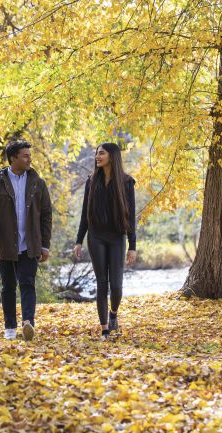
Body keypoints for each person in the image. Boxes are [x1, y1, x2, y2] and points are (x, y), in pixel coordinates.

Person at [0, 140, 53, 341]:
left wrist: (45, 244)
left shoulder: (38, 183)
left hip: (30, 243)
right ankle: (10, 327)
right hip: (5, 245)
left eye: (29, 155)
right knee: (8, 286)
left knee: (28, 283)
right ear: (13, 158)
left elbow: (46, 214)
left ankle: (28, 323)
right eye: (25, 155)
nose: (29, 158)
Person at [73, 143, 136, 339]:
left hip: (117, 237)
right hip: (96, 236)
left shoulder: (126, 183)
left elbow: (131, 216)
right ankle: (105, 329)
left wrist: (132, 246)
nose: (97, 157)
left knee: (116, 285)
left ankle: (113, 314)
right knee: (102, 283)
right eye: (96, 154)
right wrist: (78, 241)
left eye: (101, 153)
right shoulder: (91, 181)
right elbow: (85, 214)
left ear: (112, 157)